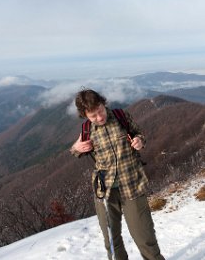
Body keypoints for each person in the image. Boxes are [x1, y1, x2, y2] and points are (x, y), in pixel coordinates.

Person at [70, 89, 165, 260]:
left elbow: (139, 134)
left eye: (100, 110)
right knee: (113, 242)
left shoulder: (121, 116)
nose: (99, 117)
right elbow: (76, 150)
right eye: (93, 115)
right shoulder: (86, 129)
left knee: (144, 237)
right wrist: (76, 148)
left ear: (103, 103)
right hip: (105, 192)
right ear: (85, 115)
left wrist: (140, 141)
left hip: (132, 185)